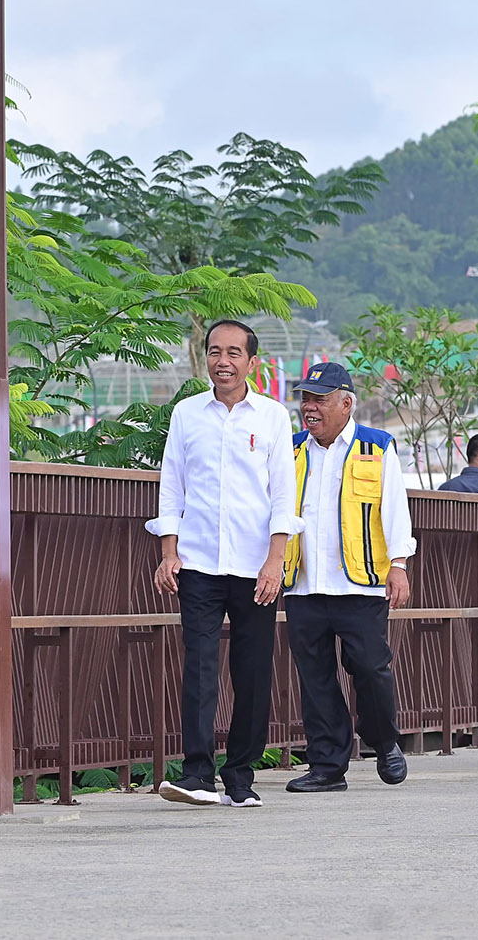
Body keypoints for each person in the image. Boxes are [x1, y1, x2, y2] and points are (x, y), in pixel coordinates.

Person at [148, 319, 300, 808]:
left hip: (256, 566)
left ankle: (240, 777)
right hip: (197, 563)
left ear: (252, 363)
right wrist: (169, 552)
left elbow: (283, 496)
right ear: (205, 358)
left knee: (252, 670)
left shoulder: (273, 417)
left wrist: (276, 561)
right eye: (215, 351)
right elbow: (171, 486)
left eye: (234, 353)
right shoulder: (187, 415)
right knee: (199, 666)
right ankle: (197, 774)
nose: (223, 361)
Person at [279, 362, 416, 792]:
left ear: (346, 402)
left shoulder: (376, 447)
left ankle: (384, 741)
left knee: (371, 669)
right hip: (304, 583)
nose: (309, 407)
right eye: (306, 399)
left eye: (319, 399)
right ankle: (327, 766)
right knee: (315, 677)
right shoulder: (293, 449)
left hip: (360, 583)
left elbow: (395, 508)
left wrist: (399, 565)